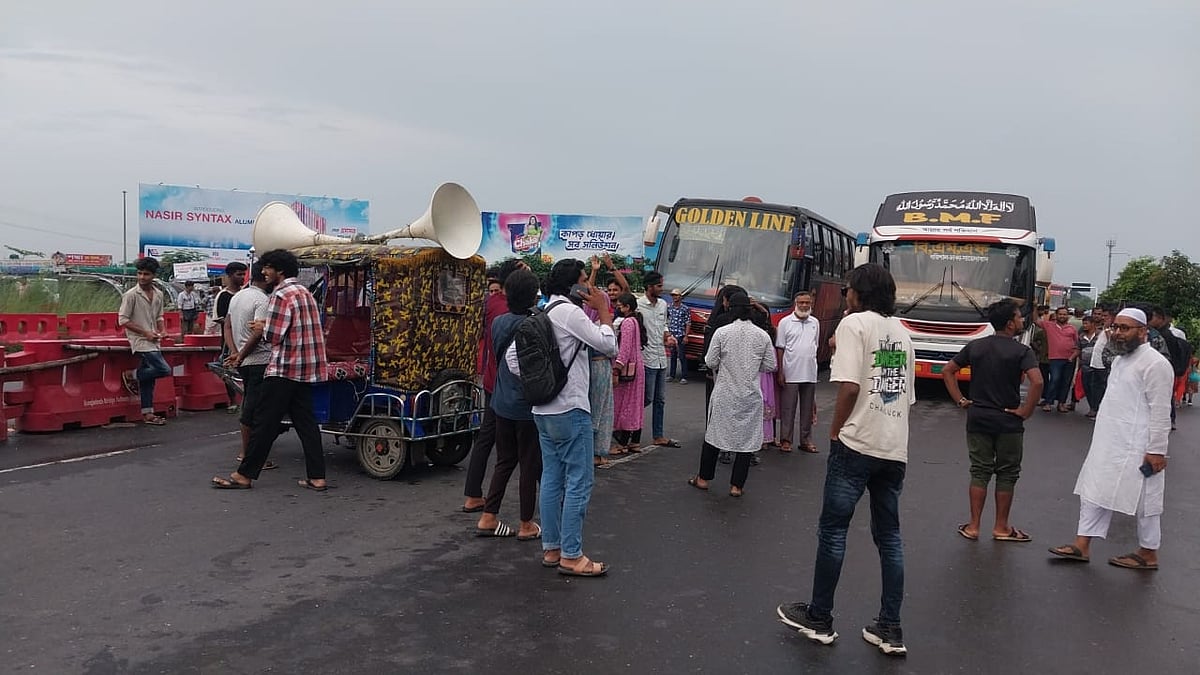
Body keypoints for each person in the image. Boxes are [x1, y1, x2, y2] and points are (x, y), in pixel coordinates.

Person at [776, 263, 915, 657]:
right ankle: (890, 626)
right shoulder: (902, 335)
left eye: (848, 289)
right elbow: (905, 398)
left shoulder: (854, 325)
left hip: (856, 444)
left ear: (858, 292)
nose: (846, 295)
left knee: (834, 531)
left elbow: (851, 385)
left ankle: (820, 617)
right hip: (894, 448)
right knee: (889, 537)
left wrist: (835, 431)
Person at [504, 259, 617, 576]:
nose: (589, 285)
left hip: (543, 410)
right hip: (570, 408)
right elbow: (608, 345)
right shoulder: (571, 313)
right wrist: (604, 311)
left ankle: (553, 549)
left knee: (553, 478)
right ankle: (572, 555)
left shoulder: (543, 311)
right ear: (574, 286)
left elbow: (514, 360)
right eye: (585, 280)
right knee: (580, 480)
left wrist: (541, 381)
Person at [1049, 308, 1173, 570]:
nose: (1117, 333)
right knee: (1094, 489)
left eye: (1124, 328)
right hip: (1109, 442)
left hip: (1141, 446)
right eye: (1115, 327)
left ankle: (1149, 551)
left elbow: (1162, 411)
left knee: (1145, 500)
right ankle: (1082, 544)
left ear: (1143, 331)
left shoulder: (1156, 364)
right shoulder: (1120, 360)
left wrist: (1157, 451)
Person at [210, 249, 328, 491]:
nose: (263, 272)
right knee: (306, 424)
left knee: (264, 421)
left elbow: (274, 337)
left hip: (284, 368)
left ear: (280, 270)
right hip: (306, 368)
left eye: (268, 268)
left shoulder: (280, 295)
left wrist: (261, 326)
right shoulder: (305, 293)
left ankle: (244, 475)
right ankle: (317, 477)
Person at [942, 300, 1043, 543]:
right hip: (1008, 420)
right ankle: (1001, 527)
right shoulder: (1022, 351)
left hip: (978, 417)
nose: (1021, 321)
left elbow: (948, 371)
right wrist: (1026, 410)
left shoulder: (976, 346)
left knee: (980, 470)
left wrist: (961, 400)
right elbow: (1037, 382)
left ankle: (974, 526)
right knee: (1007, 473)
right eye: (1019, 318)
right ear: (1010, 324)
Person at [475, 268, 543, 541]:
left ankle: (489, 516)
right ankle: (526, 524)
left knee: (504, 460)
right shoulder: (534, 324)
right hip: (525, 406)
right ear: (532, 296)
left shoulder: (499, 322)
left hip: (501, 401)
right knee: (529, 463)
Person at [688, 292, 776, 495]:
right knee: (747, 440)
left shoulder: (722, 332)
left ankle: (703, 478)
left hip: (725, 392)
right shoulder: (762, 335)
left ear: (730, 308)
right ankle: (737, 486)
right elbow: (770, 365)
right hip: (750, 396)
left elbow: (710, 361)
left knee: (714, 435)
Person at [462, 260, 526, 513]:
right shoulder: (513, 311)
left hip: (491, 382)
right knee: (526, 449)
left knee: (487, 439)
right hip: (509, 386)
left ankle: (473, 494)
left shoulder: (491, 304)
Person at [222, 263, 280, 471]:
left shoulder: (237, 296)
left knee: (251, 403)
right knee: (253, 409)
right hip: (259, 360)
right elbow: (258, 333)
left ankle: (250, 452)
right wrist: (241, 354)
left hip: (243, 361)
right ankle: (249, 455)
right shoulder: (262, 300)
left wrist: (235, 351)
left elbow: (227, 326)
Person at [118, 257, 171, 426]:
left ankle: (148, 413)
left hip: (153, 339)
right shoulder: (131, 295)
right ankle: (132, 375)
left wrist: (162, 330)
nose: (142, 277)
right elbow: (123, 320)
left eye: (146, 274)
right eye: (139, 274)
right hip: (139, 340)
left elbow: (159, 316)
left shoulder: (159, 294)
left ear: (154, 275)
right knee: (164, 369)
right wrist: (145, 332)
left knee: (150, 380)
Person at [587, 254, 628, 465]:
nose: (610, 294)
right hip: (599, 366)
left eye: (614, 291)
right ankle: (594, 451)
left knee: (604, 409)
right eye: (607, 292)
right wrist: (594, 271)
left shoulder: (616, 313)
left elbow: (626, 289)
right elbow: (588, 291)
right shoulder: (591, 321)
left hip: (605, 366)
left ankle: (599, 451)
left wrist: (610, 267)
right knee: (598, 409)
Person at [637, 271, 679, 448]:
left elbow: (664, 326)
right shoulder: (639, 305)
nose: (662, 289)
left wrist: (669, 336)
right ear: (649, 286)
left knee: (660, 399)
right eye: (659, 286)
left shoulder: (663, 304)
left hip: (661, 357)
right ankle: (627, 429)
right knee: (645, 398)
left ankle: (658, 435)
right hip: (646, 357)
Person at [775, 290, 820, 453]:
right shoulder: (785, 322)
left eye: (807, 303)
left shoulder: (815, 322)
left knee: (807, 409)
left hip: (810, 372)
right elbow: (780, 347)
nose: (804, 305)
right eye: (801, 302)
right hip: (790, 371)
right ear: (796, 304)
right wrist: (780, 371)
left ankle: (806, 440)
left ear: (811, 304)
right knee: (788, 408)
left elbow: (815, 346)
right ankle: (786, 439)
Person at [611, 293, 646, 457]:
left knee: (624, 404)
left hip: (628, 368)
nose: (618, 308)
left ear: (627, 307)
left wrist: (616, 368)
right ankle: (634, 441)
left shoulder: (627, 323)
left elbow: (624, 349)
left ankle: (622, 443)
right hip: (637, 366)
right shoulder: (636, 321)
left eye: (620, 306)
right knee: (634, 404)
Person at [215, 262, 249, 413]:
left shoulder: (245, 294)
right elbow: (221, 319)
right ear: (229, 276)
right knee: (229, 371)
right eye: (239, 274)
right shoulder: (223, 296)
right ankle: (232, 400)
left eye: (243, 274)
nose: (242, 277)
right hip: (229, 342)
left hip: (246, 339)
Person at [1038, 307, 1079, 413]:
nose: (1062, 316)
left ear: (1068, 316)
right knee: (1054, 379)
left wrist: (1073, 356)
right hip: (1055, 358)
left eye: (1065, 314)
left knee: (1066, 382)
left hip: (1070, 359)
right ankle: (1048, 403)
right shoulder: (1049, 325)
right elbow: (1035, 320)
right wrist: (1033, 306)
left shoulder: (1072, 328)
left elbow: (1077, 344)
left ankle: (1061, 403)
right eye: (1060, 314)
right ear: (1056, 315)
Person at [1077, 315, 1101, 418]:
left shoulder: (1100, 335)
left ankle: (1096, 408)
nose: (1084, 326)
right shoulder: (1081, 336)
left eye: (1087, 323)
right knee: (1087, 386)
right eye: (1084, 323)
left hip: (1097, 365)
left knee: (1096, 387)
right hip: (1085, 365)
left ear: (1093, 324)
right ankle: (1092, 407)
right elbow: (1078, 349)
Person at [666, 289, 691, 384]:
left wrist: (686, 336)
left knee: (682, 356)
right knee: (672, 356)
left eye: (676, 295)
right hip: (672, 334)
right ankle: (672, 375)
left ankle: (684, 376)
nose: (674, 297)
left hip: (680, 334)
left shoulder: (685, 309)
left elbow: (688, 323)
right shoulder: (669, 307)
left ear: (680, 296)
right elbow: (667, 319)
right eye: (673, 295)